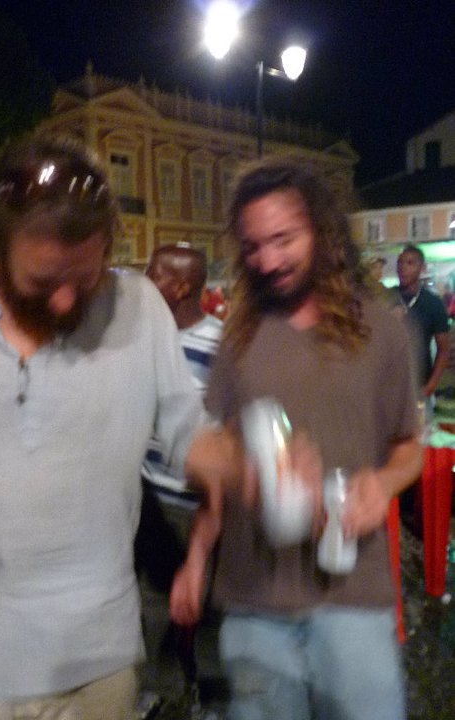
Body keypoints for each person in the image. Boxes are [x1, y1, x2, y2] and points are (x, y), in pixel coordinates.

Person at [0, 135, 205, 720]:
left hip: (102, 660)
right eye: (43, 281)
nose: (67, 300)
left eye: (86, 276)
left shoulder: (141, 305)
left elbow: (192, 436)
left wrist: (251, 463)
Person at [170, 157, 423, 720]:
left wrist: (381, 484)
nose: (267, 261)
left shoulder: (381, 330)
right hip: (254, 600)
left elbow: (409, 448)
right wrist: (197, 555)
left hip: (353, 597)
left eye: (283, 239)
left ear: (323, 232)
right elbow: (216, 452)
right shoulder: (239, 336)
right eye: (253, 246)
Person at [135, 243, 222, 716]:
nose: (145, 279)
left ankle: (211, 693)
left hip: (198, 501)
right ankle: (160, 689)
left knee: (206, 603)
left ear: (182, 286)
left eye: (155, 273)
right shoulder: (144, 338)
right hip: (150, 495)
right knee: (153, 601)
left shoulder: (221, 346)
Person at [391, 244, 450, 398]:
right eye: (400, 262)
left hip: (419, 384)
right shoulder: (386, 299)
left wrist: (430, 386)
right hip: (387, 386)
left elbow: (444, 349)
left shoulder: (433, 303)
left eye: (410, 263)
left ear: (422, 268)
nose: (403, 267)